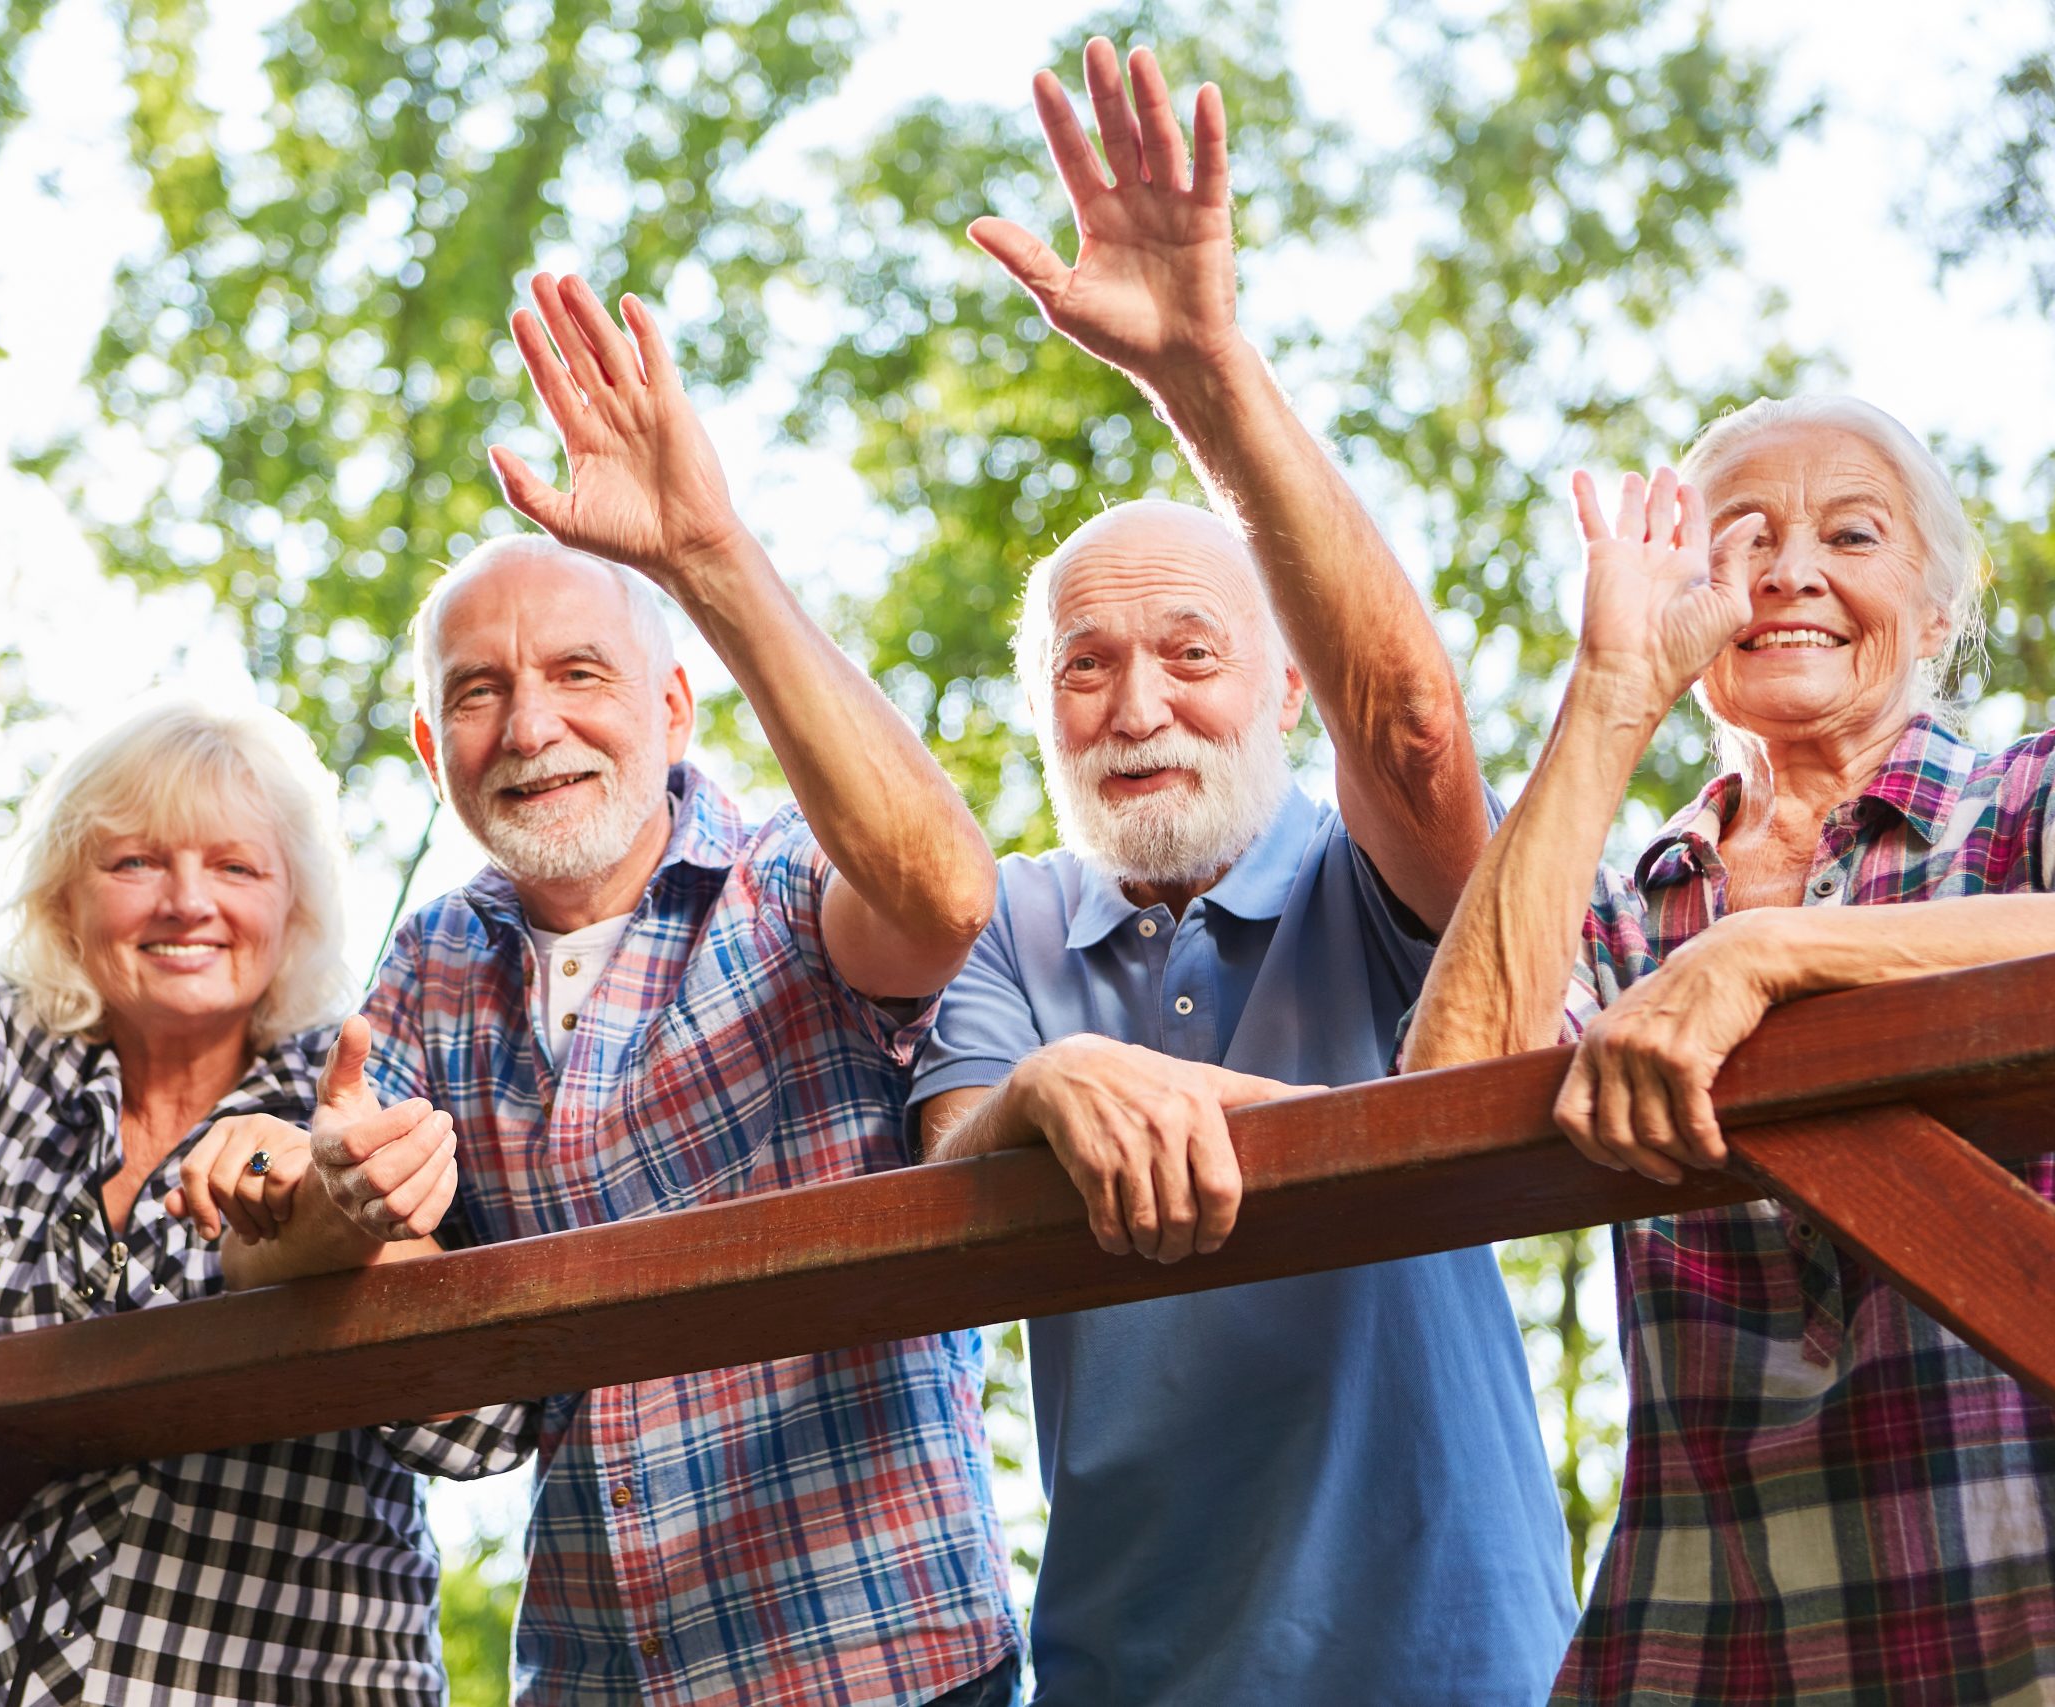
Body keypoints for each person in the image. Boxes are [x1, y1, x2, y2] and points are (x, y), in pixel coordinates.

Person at [0, 389, 524, 1705]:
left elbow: (476, 1420)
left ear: (293, 909)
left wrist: (349, 1220)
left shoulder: (370, 1091)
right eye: (137, 861)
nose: (189, 900)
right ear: (68, 898)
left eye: (236, 866)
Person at [238, 273, 1020, 1706]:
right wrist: (333, 1212)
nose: (530, 725)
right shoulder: (432, 968)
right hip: (597, 1672)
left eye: (580, 673)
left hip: (878, 1662)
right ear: (432, 743)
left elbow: (946, 896)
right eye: (478, 692)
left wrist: (710, 550)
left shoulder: (785, 885)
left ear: (673, 706)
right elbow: (286, 1246)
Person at [906, 39, 1575, 1706]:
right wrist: (1058, 1072)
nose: (1137, 706)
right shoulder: (1015, 922)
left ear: (1285, 692)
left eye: (1192, 653)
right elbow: (952, 1155)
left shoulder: (1372, 881)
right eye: (1085, 666)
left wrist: (1202, 368)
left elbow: (1416, 727)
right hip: (1128, 1672)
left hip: (1449, 1655)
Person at [1399, 398, 2055, 1702]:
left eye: (1851, 532)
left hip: (2053, 1600)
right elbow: (1443, 1104)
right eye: (1741, 542)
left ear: (1938, 614)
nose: (1790, 571)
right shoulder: (1623, 908)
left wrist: (1764, 955)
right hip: (1714, 1639)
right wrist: (1613, 689)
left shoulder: (2052, 792)